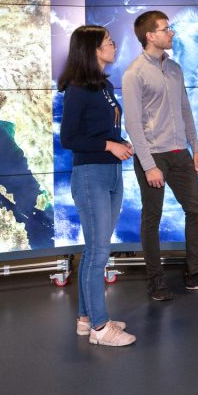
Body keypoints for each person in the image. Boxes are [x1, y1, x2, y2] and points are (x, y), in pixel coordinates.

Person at [122, 10, 198, 301]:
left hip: (180, 153)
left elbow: (185, 110)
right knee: (152, 218)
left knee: (197, 209)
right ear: (150, 36)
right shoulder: (134, 74)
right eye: (166, 29)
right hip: (153, 157)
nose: (172, 33)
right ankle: (155, 281)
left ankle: (195, 274)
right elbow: (132, 125)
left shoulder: (175, 68)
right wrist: (148, 166)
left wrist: (195, 148)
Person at [59, 25, 136, 347]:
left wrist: (120, 143)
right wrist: (108, 146)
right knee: (98, 253)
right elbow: (69, 139)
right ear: (92, 49)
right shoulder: (78, 89)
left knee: (96, 250)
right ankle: (101, 329)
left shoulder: (102, 85)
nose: (114, 45)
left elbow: (101, 129)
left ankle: (86, 318)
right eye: (108, 42)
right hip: (91, 174)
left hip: (110, 173)